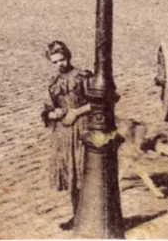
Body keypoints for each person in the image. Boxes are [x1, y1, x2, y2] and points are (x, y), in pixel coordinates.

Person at [42, 40, 97, 230]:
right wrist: (52, 114)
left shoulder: (83, 77)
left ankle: (92, 215)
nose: (60, 64)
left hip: (83, 129)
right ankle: (77, 216)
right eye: (55, 62)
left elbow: (101, 102)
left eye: (62, 59)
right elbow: (48, 109)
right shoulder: (54, 83)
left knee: (85, 174)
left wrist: (77, 112)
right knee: (73, 177)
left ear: (68, 56)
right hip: (64, 133)